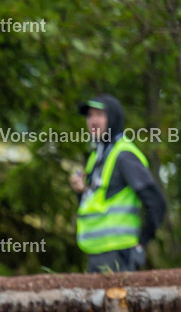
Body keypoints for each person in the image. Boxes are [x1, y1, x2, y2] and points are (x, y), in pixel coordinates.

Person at [71, 94, 166, 272]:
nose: (93, 121)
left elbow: (157, 202)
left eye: (100, 115)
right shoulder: (97, 156)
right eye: (90, 115)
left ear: (113, 118)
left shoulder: (124, 155)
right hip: (96, 253)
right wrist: (81, 191)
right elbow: (96, 204)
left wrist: (141, 244)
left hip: (120, 255)